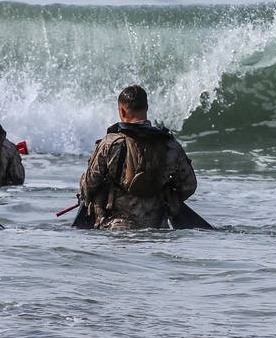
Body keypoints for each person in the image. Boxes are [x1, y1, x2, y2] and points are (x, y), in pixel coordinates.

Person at [79, 85, 197, 230]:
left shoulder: (111, 144)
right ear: (146, 108)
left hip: (116, 231)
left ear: (122, 110)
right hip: (158, 229)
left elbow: (88, 185)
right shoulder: (170, 144)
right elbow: (189, 186)